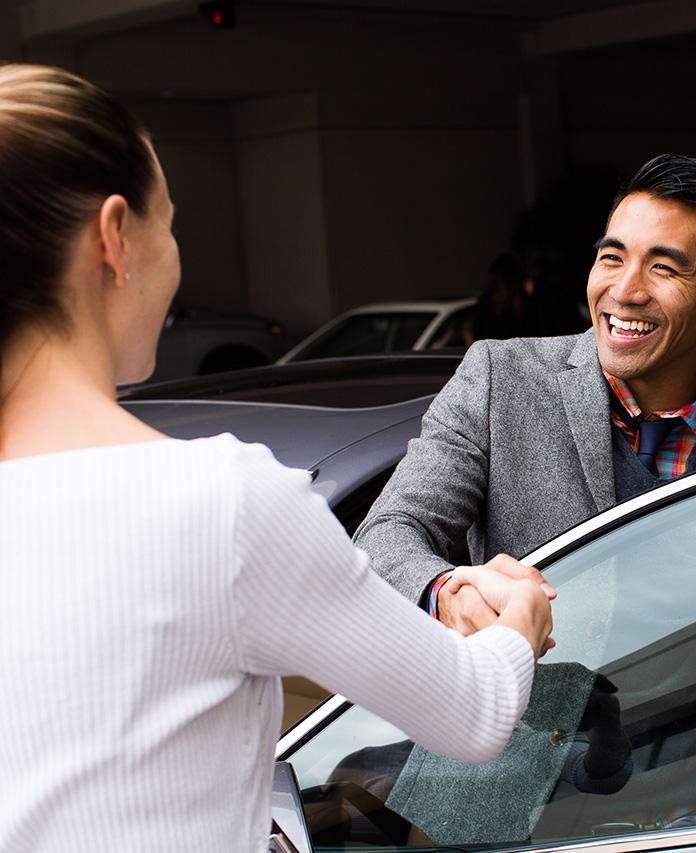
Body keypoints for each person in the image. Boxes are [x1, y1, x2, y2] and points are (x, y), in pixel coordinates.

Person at [0, 63, 552, 852]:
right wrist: (521, 607)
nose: (175, 255)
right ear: (115, 237)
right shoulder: (220, 503)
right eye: (171, 222)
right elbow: (474, 709)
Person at [354, 154, 696, 842]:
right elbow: (386, 534)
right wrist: (448, 588)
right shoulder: (499, 378)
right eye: (612, 257)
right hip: (501, 801)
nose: (624, 290)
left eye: (664, 267)